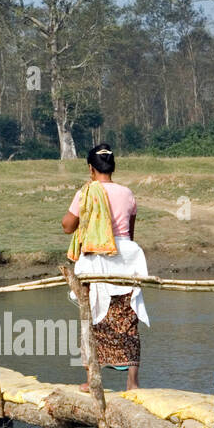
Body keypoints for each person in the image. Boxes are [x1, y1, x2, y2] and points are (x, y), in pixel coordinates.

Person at [61, 144, 149, 392]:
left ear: (91, 168)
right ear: (113, 167)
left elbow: (68, 226)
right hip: (126, 257)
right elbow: (130, 232)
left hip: (97, 258)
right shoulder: (127, 193)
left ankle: (92, 380)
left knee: (90, 318)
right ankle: (133, 382)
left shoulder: (86, 193)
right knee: (128, 318)